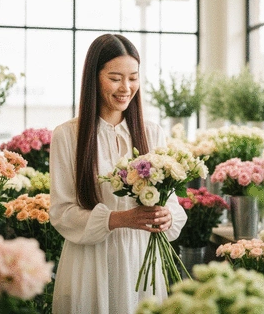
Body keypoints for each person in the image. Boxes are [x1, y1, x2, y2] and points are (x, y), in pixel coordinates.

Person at [49, 34, 187, 314]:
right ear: (94, 78)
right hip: (89, 261)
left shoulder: (152, 133)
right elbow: (62, 213)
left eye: (133, 77)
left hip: (141, 261)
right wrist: (118, 219)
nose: (126, 87)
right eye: (115, 78)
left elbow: (171, 205)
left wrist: (166, 215)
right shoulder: (67, 136)